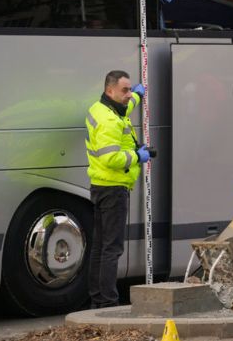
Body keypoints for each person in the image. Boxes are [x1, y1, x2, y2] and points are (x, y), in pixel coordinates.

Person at [85, 70, 149, 308]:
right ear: (109, 90)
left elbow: (124, 109)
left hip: (100, 186)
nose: (128, 94)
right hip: (113, 189)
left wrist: (136, 98)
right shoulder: (109, 120)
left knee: (100, 247)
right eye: (125, 90)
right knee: (112, 249)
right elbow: (111, 158)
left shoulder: (101, 109)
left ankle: (97, 299)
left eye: (130, 89)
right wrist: (137, 156)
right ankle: (109, 303)